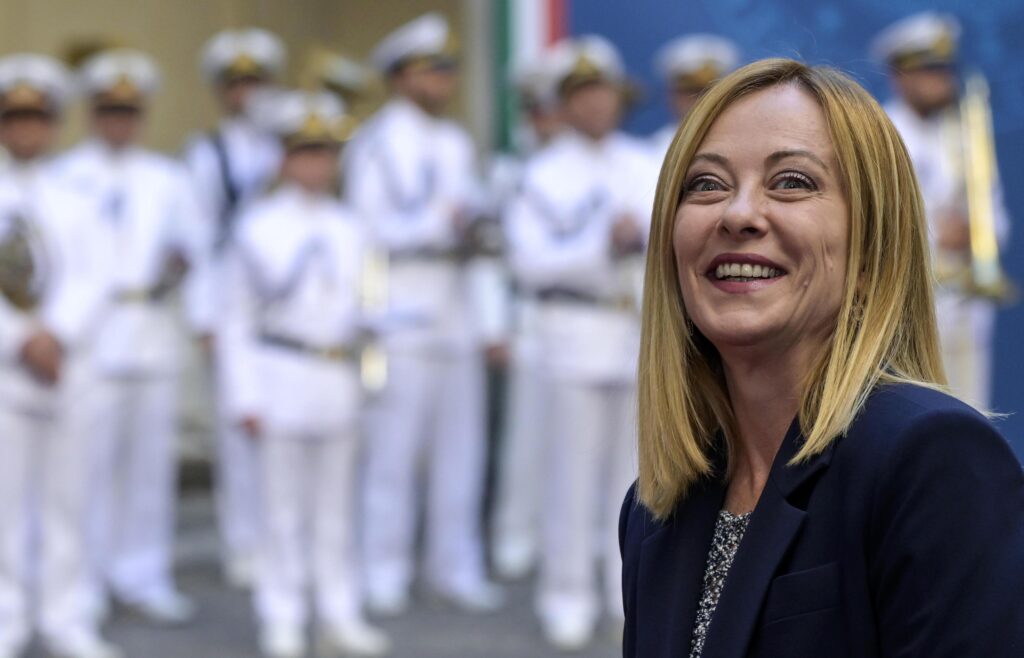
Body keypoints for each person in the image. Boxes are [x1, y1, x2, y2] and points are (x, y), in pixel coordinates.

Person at [619, 58, 1024, 658]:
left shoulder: (932, 461)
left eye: (791, 182)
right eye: (706, 184)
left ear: (870, 254)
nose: (737, 214)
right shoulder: (654, 506)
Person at [220, 89, 390, 658]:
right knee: (281, 510)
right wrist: (243, 394)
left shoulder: (352, 226)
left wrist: (373, 367)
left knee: (336, 509)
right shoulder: (257, 226)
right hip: (280, 372)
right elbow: (236, 320)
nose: (317, 163)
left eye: (325, 152)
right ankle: (283, 614)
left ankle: (338, 611)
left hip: (336, 377)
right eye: (305, 152)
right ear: (284, 158)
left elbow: (369, 303)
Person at [346, 12, 503, 616]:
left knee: (459, 450)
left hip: (455, 309)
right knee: (392, 450)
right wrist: (435, 225)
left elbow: (480, 237)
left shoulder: (455, 142)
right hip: (400, 310)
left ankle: (454, 564)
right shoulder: (376, 142)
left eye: (448, 70)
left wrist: (491, 322)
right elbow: (363, 234)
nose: (445, 81)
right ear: (402, 76)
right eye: (433, 71)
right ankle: (382, 568)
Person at [506, 35, 659, 650]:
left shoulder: (646, 161)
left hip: (638, 335)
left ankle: (628, 594)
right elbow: (529, 264)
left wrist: (641, 237)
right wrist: (599, 242)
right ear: (564, 104)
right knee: (569, 476)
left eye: (604, 92)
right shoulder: (542, 174)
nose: (597, 105)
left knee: (639, 482)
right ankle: (565, 593)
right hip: (573, 332)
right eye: (582, 93)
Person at [55, 48, 209, 626]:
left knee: (149, 465)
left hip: (151, 327)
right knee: (86, 467)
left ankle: (143, 572)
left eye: (130, 111)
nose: (120, 122)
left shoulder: (166, 177)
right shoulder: (67, 175)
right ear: (92, 114)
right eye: (109, 111)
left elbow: (195, 242)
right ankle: (84, 579)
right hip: (93, 335)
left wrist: (182, 262)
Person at [0, 54, 121, 658]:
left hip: (66, 371)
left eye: (38, 119)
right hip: (6, 373)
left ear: (53, 125)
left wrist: (56, 335)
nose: (26, 131)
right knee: (4, 504)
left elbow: (96, 277)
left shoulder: (77, 197)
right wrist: (21, 338)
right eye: (14, 119)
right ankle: (8, 618)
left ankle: (64, 617)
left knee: (68, 502)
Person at [182, 26, 286, 588]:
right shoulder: (207, 151)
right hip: (231, 298)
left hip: (286, 303)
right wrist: (203, 317)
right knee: (238, 429)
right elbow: (200, 237)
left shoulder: (287, 142)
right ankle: (243, 540)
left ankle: (281, 537)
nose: (246, 92)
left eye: (255, 81)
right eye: (236, 82)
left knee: (287, 424)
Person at [873, 12, 1010, 410]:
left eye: (945, 70)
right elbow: (876, 227)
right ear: (900, 75)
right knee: (915, 420)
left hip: (968, 303)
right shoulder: (882, 135)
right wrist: (937, 237)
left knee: (974, 414)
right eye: (929, 71)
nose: (942, 80)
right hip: (911, 309)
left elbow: (996, 214)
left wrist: (981, 234)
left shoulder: (965, 132)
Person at [489, 49, 564, 581]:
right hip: (527, 313)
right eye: (535, 110)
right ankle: (516, 535)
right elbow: (490, 258)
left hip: (577, 319)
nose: (543, 121)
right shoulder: (509, 172)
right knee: (526, 436)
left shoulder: (583, 169)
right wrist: (494, 323)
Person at [649, 34, 740, 159]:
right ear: (671, 94)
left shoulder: (747, 142)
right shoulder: (647, 156)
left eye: (709, 91)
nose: (701, 100)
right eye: (690, 91)